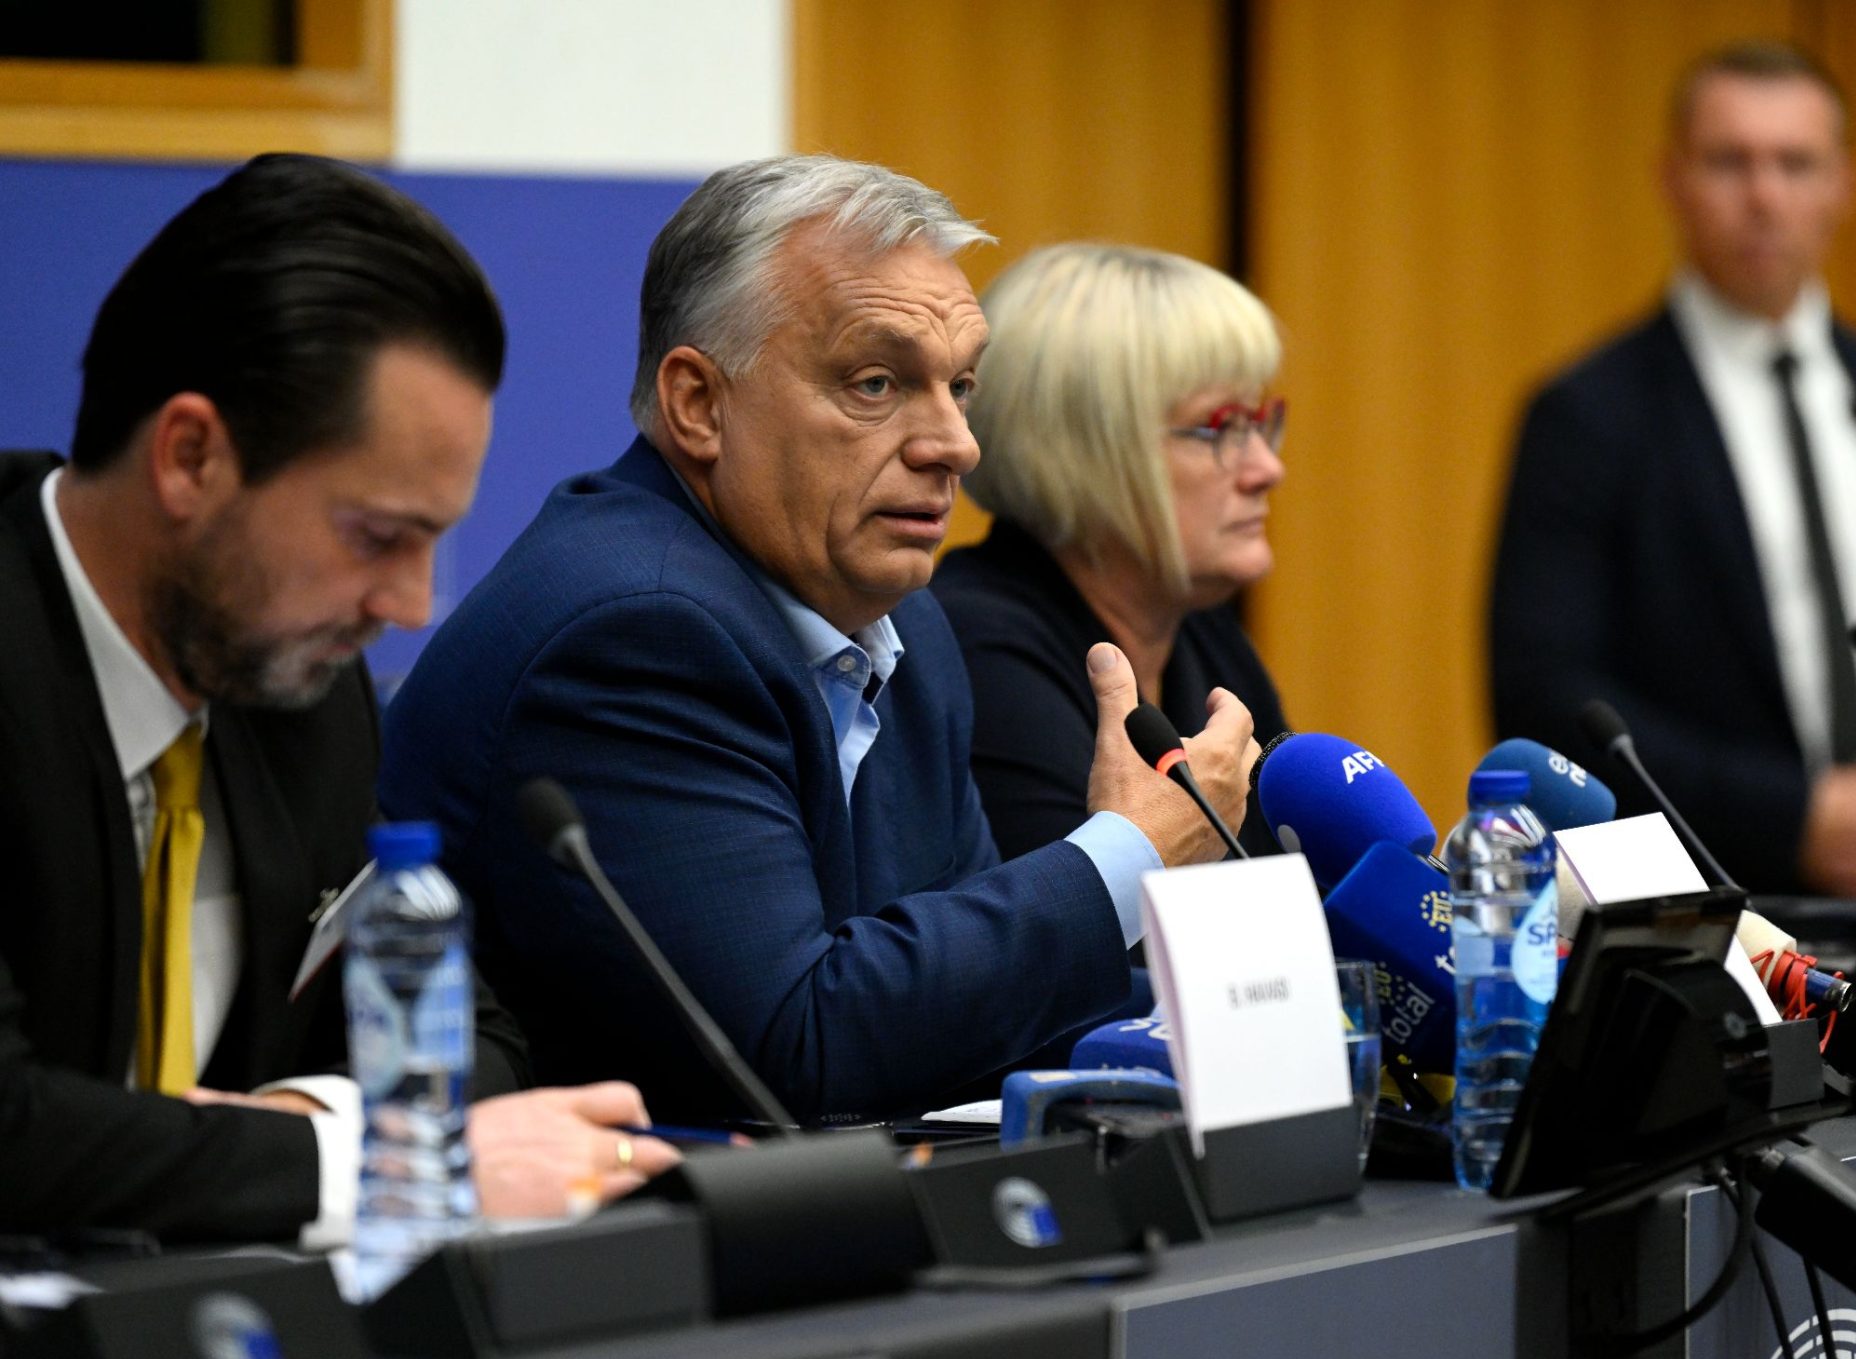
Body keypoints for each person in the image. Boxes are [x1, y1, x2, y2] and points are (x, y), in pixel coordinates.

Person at [379, 155, 1256, 1126]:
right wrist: (1126, 854)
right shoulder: (635, 629)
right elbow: (792, 1052)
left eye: (960, 386)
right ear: (698, 404)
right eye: (876, 383)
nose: (954, 444)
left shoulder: (900, 622)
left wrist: (1254, 1018)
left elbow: (970, 1014)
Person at [0, 154, 676, 1248]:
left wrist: (300, 1125)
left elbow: (473, 1038)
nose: (407, 606)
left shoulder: (298, 686)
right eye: (375, 536)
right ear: (190, 458)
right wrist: (369, 1166)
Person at [1490, 41, 1856, 897]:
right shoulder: (1588, 417)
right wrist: (1791, 818)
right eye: (1729, 162)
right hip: (1712, 912)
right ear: (1672, 180)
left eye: (1795, 163)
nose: (1764, 196)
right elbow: (1544, 698)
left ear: (1844, 185)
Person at [931, 243, 1289, 860]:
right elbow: (1074, 916)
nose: (1267, 469)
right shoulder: (980, 651)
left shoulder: (1208, 641)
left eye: (1259, 423)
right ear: (1083, 449)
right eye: (1221, 427)